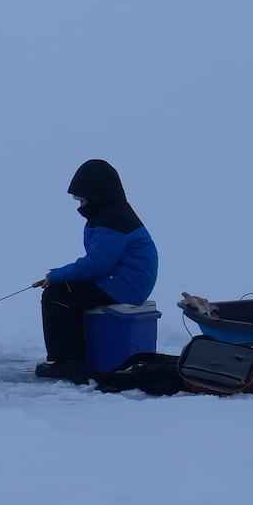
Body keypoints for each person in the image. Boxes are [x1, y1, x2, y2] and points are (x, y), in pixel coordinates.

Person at [33, 158, 161, 383]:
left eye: (82, 199)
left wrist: (55, 276)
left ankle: (66, 362)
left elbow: (96, 264)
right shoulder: (113, 215)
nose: (80, 205)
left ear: (97, 196)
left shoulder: (113, 220)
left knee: (57, 296)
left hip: (123, 286)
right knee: (68, 292)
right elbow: (99, 263)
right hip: (120, 282)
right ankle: (77, 358)